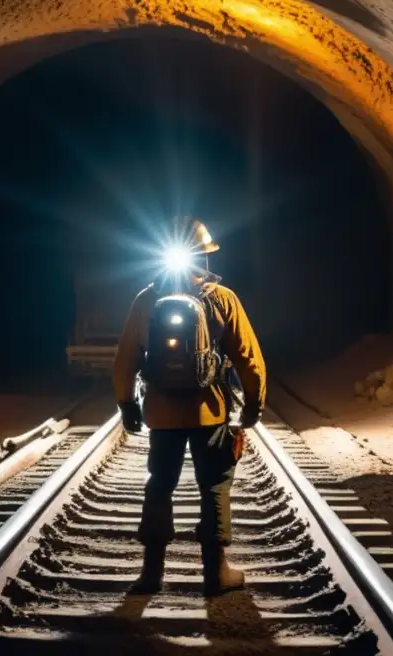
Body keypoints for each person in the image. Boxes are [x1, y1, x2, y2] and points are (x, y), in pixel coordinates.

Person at [112, 217, 267, 596]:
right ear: (205, 255)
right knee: (214, 484)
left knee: (160, 484)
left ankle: (151, 574)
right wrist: (253, 407)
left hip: (162, 415)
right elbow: (249, 359)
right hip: (209, 413)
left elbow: (124, 359)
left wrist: (127, 404)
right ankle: (215, 572)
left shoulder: (146, 299)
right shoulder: (222, 299)